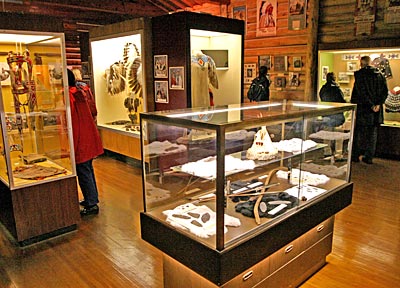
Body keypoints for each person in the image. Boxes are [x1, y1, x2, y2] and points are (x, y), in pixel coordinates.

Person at [67, 69, 104, 215]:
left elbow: (72, 123)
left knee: (84, 171)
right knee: (87, 169)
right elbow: (93, 111)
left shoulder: (71, 95)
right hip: (88, 135)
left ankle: (91, 204)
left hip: (80, 138)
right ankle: (91, 198)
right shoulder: (81, 91)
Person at [350, 56, 388, 164]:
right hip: (376, 110)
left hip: (363, 109)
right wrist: (378, 104)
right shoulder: (380, 75)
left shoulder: (360, 75)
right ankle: (369, 157)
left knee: (358, 133)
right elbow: (385, 92)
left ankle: (355, 155)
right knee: (372, 134)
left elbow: (361, 93)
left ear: (361, 63)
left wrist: (371, 104)